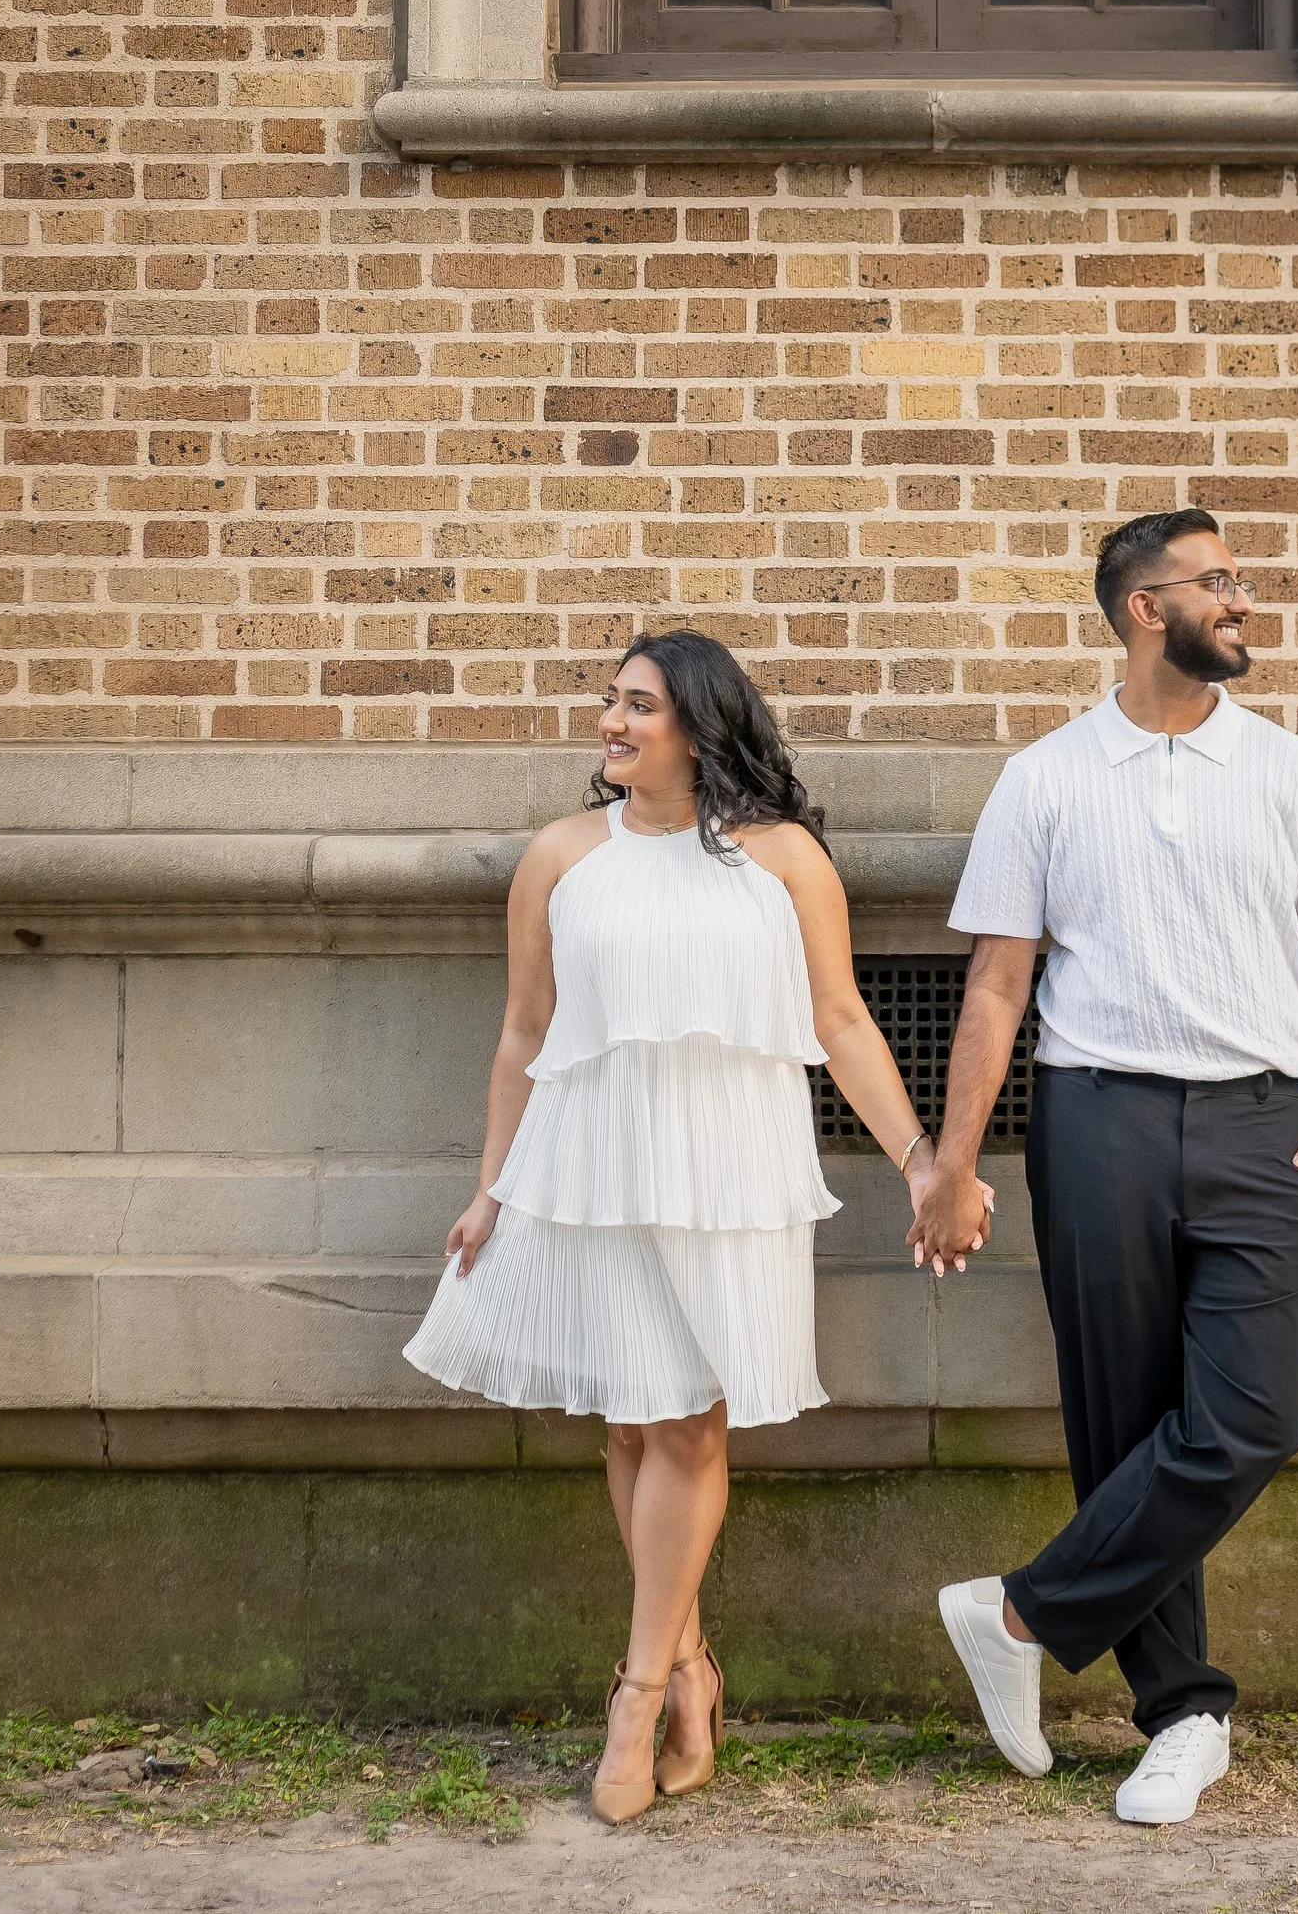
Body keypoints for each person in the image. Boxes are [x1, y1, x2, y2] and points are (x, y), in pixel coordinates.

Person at [407, 629, 986, 1824]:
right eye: (609, 702)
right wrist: (490, 1186)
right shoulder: (563, 856)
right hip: (597, 1163)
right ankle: (692, 1670)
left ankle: (635, 1692)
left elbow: (840, 1021)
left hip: (730, 1172)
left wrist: (926, 1162)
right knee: (630, 1428)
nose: (611, 724)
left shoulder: (781, 859)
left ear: (701, 726)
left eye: (639, 707)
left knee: (685, 1423)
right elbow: (525, 1033)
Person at [909, 508, 1298, 1827]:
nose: (1241, 599)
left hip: (1260, 1126)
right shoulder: (1048, 776)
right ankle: (1182, 1715)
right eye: (1215, 581)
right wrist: (951, 1164)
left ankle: (1016, 1610)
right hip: (1094, 1116)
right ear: (1142, 609)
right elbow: (999, 982)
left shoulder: (1297, 774)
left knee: (1246, 1421)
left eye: (1234, 577)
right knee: (1123, 1426)